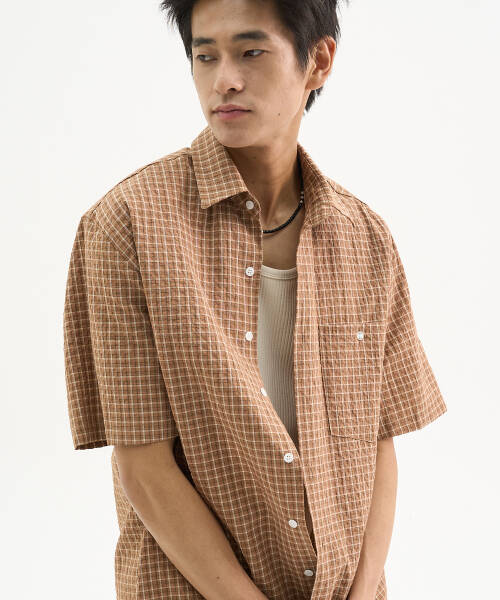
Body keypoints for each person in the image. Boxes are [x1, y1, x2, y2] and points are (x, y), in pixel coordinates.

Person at [63, 1, 447, 599]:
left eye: (250, 52)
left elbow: (380, 439)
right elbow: (143, 465)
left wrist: (365, 588)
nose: (224, 81)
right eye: (205, 56)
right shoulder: (128, 226)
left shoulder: (365, 239)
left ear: (318, 61)